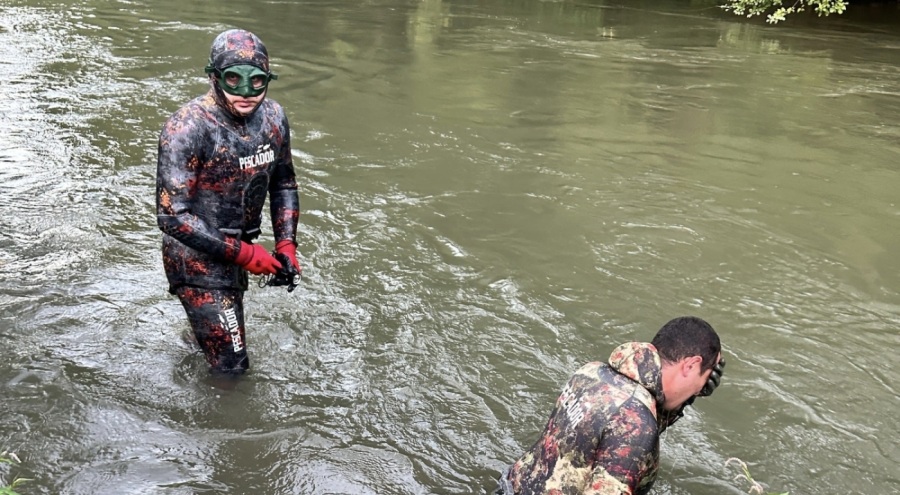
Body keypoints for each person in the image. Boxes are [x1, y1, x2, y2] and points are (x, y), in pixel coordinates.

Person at [155, 28, 301, 375]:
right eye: (234, 80)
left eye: (257, 82)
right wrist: (247, 255)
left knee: (212, 338)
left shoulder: (274, 119)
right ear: (214, 77)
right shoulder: (188, 127)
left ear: (268, 78)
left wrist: (286, 243)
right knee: (233, 366)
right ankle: (212, 426)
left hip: (238, 249)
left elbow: (284, 182)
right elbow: (172, 215)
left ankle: (188, 351)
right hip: (196, 260)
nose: (247, 93)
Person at [495, 316, 725, 495]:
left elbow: (620, 426)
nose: (698, 389)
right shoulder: (635, 422)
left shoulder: (592, 372)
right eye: (703, 378)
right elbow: (632, 428)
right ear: (691, 365)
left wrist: (688, 397)